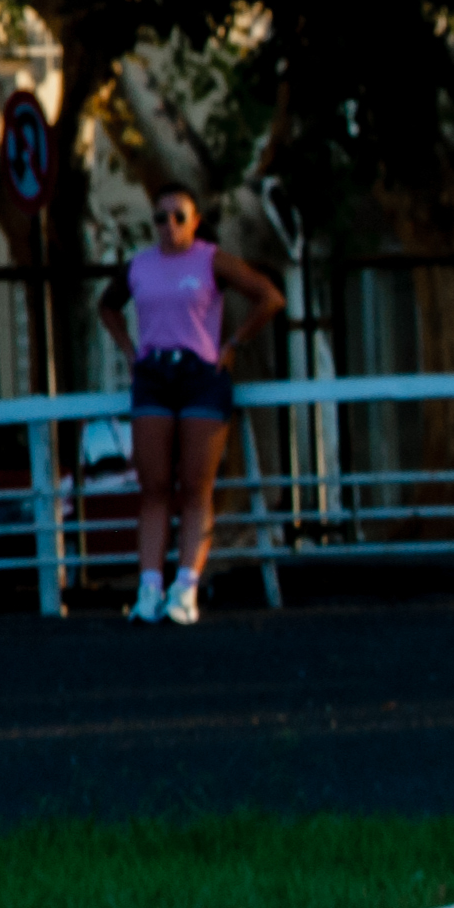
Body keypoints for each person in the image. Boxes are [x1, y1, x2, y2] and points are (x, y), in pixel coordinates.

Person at [97, 184, 284, 625]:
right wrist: (128, 349)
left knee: (196, 485)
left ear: (196, 220)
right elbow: (108, 306)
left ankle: (185, 587)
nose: (169, 226)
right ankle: (148, 588)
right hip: (154, 375)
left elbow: (269, 297)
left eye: (179, 216)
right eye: (160, 218)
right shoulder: (141, 265)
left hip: (200, 374)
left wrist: (235, 342)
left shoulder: (210, 260)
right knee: (154, 486)